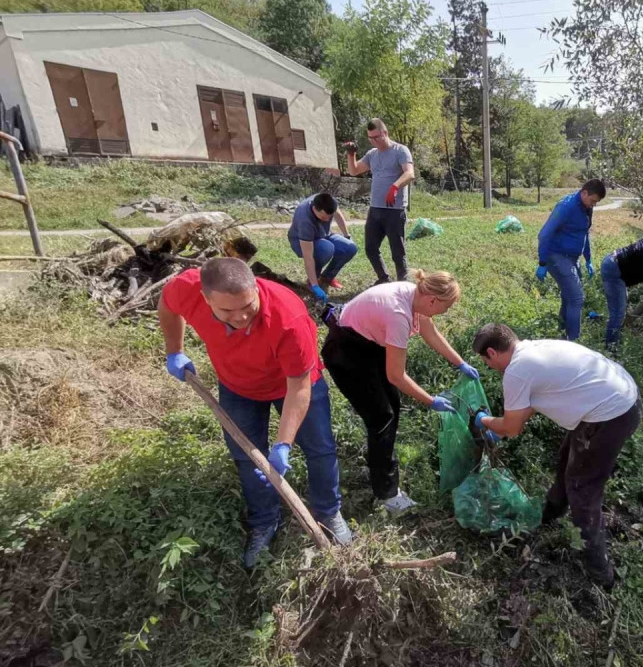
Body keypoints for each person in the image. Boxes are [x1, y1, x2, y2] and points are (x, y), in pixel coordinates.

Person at [157, 257, 351, 568]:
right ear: (205, 298)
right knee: (248, 457)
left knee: (320, 449)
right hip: (238, 386)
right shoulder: (187, 288)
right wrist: (174, 351)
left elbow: (299, 389)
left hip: (294, 382)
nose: (241, 316)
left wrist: (283, 444)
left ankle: (328, 512)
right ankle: (264, 521)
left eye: (248, 305)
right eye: (227, 311)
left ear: (256, 289)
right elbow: (167, 305)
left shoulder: (288, 316)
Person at [471, 323, 641, 589]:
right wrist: (501, 428)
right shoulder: (534, 349)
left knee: (582, 487)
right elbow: (528, 406)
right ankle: (550, 512)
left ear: (491, 352)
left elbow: (512, 428)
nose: (489, 367)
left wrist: (484, 421)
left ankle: (600, 572)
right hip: (623, 397)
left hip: (609, 415)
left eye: (486, 362)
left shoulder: (516, 371)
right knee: (567, 459)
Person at [321, 269, 478, 514]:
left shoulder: (416, 295)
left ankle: (379, 464)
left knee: (391, 407)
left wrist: (460, 363)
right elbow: (396, 375)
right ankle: (387, 494)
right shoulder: (398, 315)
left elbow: (430, 332)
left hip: (368, 344)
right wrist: (430, 400)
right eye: (445, 307)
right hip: (347, 353)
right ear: (432, 300)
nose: (445, 312)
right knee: (381, 417)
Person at [343, 118, 416, 284]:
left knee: (398, 252)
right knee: (370, 248)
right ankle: (384, 278)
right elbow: (354, 171)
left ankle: (403, 285)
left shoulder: (400, 150)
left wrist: (395, 187)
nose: (373, 141)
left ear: (385, 133)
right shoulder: (372, 154)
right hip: (375, 209)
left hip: (395, 210)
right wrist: (351, 154)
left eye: (376, 137)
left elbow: (410, 173)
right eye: (370, 138)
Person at [535, 179, 606, 341]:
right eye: (593, 200)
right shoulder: (566, 207)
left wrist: (588, 259)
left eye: (596, 202)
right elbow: (544, 234)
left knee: (569, 297)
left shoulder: (586, 207)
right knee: (576, 298)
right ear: (584, 193)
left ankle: (562, 335)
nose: (593, 205)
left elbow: (585, 232)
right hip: (557, 256)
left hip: (573, 258)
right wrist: (542, 262)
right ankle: (574, 342)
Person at [287, 191, 357, 302]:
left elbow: (338, 215)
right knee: (326, 248)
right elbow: (308, 257)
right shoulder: (304, 220)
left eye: (329, 217)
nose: (327, 220)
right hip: (301, 242)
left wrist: (347, 236)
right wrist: (314, 285)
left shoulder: (329, 202)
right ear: (315, 209)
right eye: (324, 217)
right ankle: (313, 281)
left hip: (323, 235)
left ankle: (327, 277)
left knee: (350, 247)